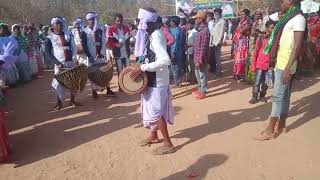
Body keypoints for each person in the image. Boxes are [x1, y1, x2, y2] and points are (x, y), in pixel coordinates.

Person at [255, 0, 306, 140]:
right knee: (284, 96)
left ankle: (270, 130)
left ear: (290, 1)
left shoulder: (298, 19)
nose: (281, 3)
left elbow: (296, 46)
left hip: (286, 65)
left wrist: (288, 69)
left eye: (283, 1)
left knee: (278, 96)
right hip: (281, 62)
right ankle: (282, 124)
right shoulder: (287, 17)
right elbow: (269, 18)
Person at [131, 7, 175, 155]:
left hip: (158, 82)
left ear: (148, 22)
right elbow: (151, 57)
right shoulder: (151, 35)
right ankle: (154, 136)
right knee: (151, 110)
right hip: (152, 80)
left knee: (156, 113)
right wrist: (141, 64)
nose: (138, 23)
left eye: (140, 20)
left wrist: (143, 67)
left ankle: (168, 143)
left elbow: (165, 60)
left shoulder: (156, 36)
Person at [45, 16, 82, 110]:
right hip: (59, 64)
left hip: (70, 62)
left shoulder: (68, 35)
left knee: (73, 81)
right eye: (56, 24)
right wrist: (56, 63)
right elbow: (48, 53)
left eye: (60, 23)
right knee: (58, 83)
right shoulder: (49, 38)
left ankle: (72, 100)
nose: (58, 25)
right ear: (52, 25)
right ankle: (59, 102)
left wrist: (74, 58)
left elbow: (73, 48)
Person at [81, 12, 115, 98]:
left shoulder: (100, 31)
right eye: (89, 20)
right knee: (92, 74)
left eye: (92, 20)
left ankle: (108, 89)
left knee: (104, 72)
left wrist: (102, 54)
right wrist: (89, 56)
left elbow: (103, 43)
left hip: (100, 56)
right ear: (87, 21)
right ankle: (94, 91)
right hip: (91, 56)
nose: (91, 22)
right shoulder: (84, 32)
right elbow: (84, 46)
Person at [249, 20, 276, 104]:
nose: (273, 29)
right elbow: (256, 51)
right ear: (267, 28)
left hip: (270, 65)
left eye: (274, 28)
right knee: (257, 81)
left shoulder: (276, 39)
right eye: (271, 28)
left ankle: (262, 95)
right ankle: (254, 96)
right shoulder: (261, 38)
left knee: (267, 83)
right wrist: (253, 65)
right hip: (260, 63)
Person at [192, 11, 210, 100]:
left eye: (197, 18)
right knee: (197, 74)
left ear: (200, 19)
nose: (195, 20)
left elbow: (203, 47)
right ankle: (200, 89)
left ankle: (203, 92)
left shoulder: (205, 31)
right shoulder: (200, 29)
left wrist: (199, 60)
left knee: (202, 75)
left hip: (201, 57)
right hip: (197, 56)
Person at [232, 9, 252, 82]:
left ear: (246, 15)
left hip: (243, 43)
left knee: (242, 59)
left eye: (243, 14)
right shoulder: (242, 22)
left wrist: (240, 24)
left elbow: (241, 31)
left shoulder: (248, 23)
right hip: (238, 43)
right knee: (237, 59)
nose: (241, 16)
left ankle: (241, 75)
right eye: (241, 14)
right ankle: (236, 74)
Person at [108, 13, 131, 77]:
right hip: (118, 55)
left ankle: (128, 86)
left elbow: (129, 38)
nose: (120, 22)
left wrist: (131, 42)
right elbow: (109, 41)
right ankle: (121, 87)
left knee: (128, 71)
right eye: (118, 21)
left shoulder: (126, 28)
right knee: (120, 72)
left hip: (126, 54)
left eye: (121, 21)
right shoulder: (111, 29)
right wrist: (116, 45)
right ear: (115, 21)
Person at [209, 8, 226, 79]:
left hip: (217, 43)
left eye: (217, 14)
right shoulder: (215, 21)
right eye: (215, 14)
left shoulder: (222, 21)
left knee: (217, 59)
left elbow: (221, 33)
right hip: (213, 42)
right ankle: (217, 72)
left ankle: (218, 74)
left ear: (220, 14)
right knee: (214, 58)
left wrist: (217, 42)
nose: (215, 15)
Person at [169, 16, 183, 87]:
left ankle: (177, 82)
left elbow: (175, 42)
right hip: (179, 51)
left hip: (175, 51)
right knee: (178, 66)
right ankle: (178, 81)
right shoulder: (179, 29)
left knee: (174, 67)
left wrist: (173, 52)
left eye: (171, 21)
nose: (170, 23)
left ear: (173, 23)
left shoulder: (176, 31)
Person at [185, 18, 197, 85]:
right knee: (189, 66)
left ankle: (194, 80)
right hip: (188, 51)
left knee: (193, 67)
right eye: (187, 25)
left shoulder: (195, 32)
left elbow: (196, 43)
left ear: (193, 24)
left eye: (189, 25)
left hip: (192, 51)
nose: (188, 26)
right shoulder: (190, 32)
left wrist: (189, 45)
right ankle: (190, 78)